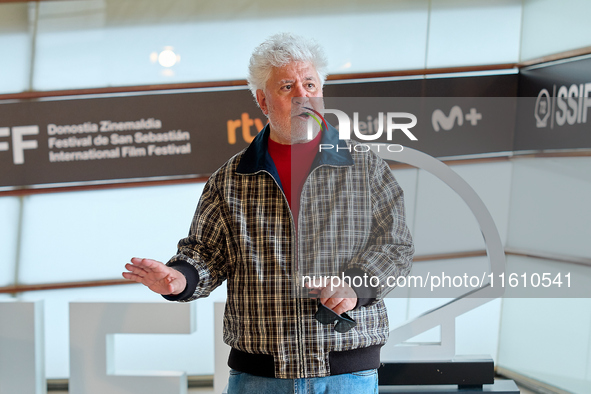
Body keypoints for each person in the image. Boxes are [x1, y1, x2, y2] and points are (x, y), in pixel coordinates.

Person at [122, 32, 414, 393]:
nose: (302, 96)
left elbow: (395, 246)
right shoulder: (230, 179)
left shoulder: (365, 166)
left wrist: (354, 284)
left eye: (310, 84)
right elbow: (205, 256)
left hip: (346, 373)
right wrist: (181, 280)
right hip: (258, 377)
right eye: (287, 87)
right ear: (263, 100)